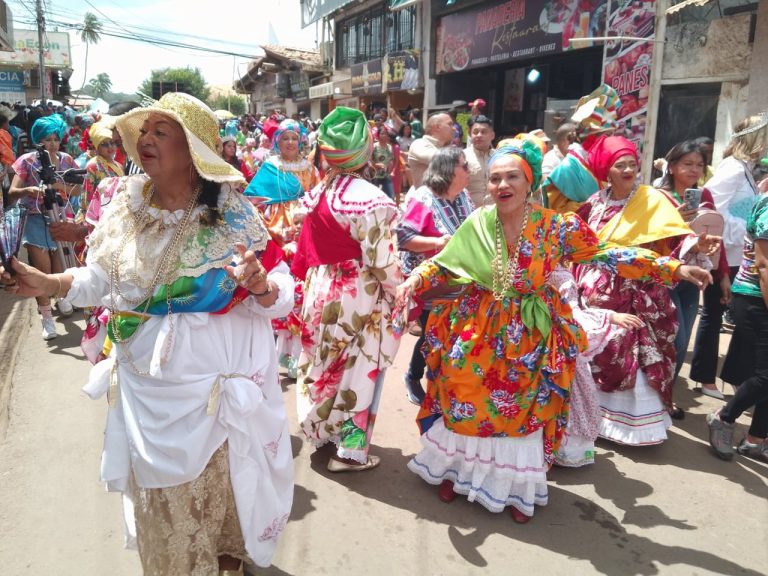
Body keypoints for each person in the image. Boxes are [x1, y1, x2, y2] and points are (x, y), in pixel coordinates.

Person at [2, 92, 296, 573]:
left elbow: (283, 291)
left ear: (194, 150)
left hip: (217, 402)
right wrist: (51, 282)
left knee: (224, 504)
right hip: (148, 395)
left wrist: (261, 285)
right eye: (145, 131)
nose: (146, 140)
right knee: (168, 524)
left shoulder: (233, 213)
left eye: (163, 132)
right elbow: (101, 277)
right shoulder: (124, 205)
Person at [396, 136, 710, 522]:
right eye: (494, 179)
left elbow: (606, 254)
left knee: (521, 411)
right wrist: (415, 279)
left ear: (529, 182)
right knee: (464, 396)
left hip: (530, 334)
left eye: (512, 176)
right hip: (477, 329)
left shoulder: (555, 227)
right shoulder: (478, 221)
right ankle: (458, 473)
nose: (502, 186)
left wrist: (672, 268)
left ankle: (512, 489)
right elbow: (445, 263)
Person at [576, 136, 718, 443]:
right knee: (602, 352)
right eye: (620, 164)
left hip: (642, 292)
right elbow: (578, 242)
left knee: (640, 354)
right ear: (606, 170)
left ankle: (635, 427)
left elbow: (676, 237)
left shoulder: (653, 199)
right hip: (597, 293)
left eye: (632, 163)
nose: (628, 168)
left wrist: (696, 245)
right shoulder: (594, 203)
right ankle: (592, 417)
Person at [292, 106, 402, 472]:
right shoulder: (369, 198)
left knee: (322, 360)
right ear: (366, 150)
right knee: (361, 368)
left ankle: (321, 428)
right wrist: (400, 290)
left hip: (321, 288)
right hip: (360, 292)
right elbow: (381, 261)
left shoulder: (321, 190)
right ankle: (351, 450)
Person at [690, 114, 768, 399]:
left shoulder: (746, 169)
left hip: (737, 254)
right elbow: (712, 209)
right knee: (713, 314)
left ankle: (734, 378)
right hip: (721, 253)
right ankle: (704, 376)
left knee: (733, 317)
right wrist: (747, 229)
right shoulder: (734, 168)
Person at [397, 147, 474, 405]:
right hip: (430, 282)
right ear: (448, 170)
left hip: (460, 281)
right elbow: (405, 238)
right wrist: (438, 241)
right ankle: (413, 375)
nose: (469, 171)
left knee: (450, 334)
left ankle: (442, 384)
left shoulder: (463, 196)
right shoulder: (423, 198)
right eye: (464, 166)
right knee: (432, 334)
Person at [244, 118, 320, 379]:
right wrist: (273, 229)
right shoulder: (270, 166)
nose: (290, 142)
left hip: (305, 230)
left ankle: (303, 355)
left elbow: (317, 197)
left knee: (304, 291)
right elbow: (254, 201)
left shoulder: (309, 168)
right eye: (285, 138)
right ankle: (282, 352)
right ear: (277, 141)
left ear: (301, 141)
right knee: (280, 286)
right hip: (276, 233)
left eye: (294, 138)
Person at [549, 266, 643, 467]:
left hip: (556, 349)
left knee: (568, 401)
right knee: (566, 401)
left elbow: (573, 312)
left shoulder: (556, 272)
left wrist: (609, 317)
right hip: (556, 350)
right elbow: (573, 314)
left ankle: (562, 452)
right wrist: (609, 317)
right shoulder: (559, 275)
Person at [657, 140, 729, 384]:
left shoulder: (705, 195)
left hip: (694, 276)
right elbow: (648, 237)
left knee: (684, 339)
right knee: (673, 339)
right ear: (672, 167)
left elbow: (718, 234)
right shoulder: (656, 196)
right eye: (687, 164)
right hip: (665, 275)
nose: (694, 170)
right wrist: (673, 220)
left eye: (699, 165)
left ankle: (670, 392)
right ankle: (661, 395)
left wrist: (724, 275)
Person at [707, 176, 768, 462]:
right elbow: (764, 266)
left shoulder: (760, 199)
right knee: (765, 375)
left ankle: (756, 439)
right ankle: (724, 417)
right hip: (757, 298)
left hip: (756, 298)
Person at [8, 114, 80, 339]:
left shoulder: (67, 160)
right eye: (46, 140)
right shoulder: (27, 161)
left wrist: (56, 183)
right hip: (34, 219)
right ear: (37, 140)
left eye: (55, 139)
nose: (51, 144)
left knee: (60, 266)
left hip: (59, 218)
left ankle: (63, 297)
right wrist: (29, 191)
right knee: (41, 270)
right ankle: (46, 318)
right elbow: (11, 193)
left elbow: (77, 189)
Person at [542, 84, 620, 213]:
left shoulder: (603, 164)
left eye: (612, 134)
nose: (611, 140)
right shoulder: (568, 169)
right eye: (607, 135)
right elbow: (557, 213)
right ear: (590, 136)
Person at [407, 112, 454, 189]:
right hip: (426, 200)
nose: (454, 128)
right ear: (437, 127)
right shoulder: (419, 144)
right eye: (450, 124)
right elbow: (443, 160)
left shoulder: (445, 148)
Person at [464, 115, 495, 208]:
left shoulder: (500, 157)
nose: (479, 135)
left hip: (496, 211)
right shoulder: (461, 157)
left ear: (492, 135)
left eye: (484, 132)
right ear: (470, 134)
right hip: (470, 212)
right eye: (475, 132)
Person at [372, 125, 396, 199]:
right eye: (382, 133)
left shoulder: (389, 147)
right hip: (375, 176)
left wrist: (390, 166)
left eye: (386, 133)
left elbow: (391, 159)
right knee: (375, 198)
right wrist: (376, 165)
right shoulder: (374, 146)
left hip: (386, 175)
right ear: (378, 135)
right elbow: (369, 160)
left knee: (390, 196)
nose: (384, 135)